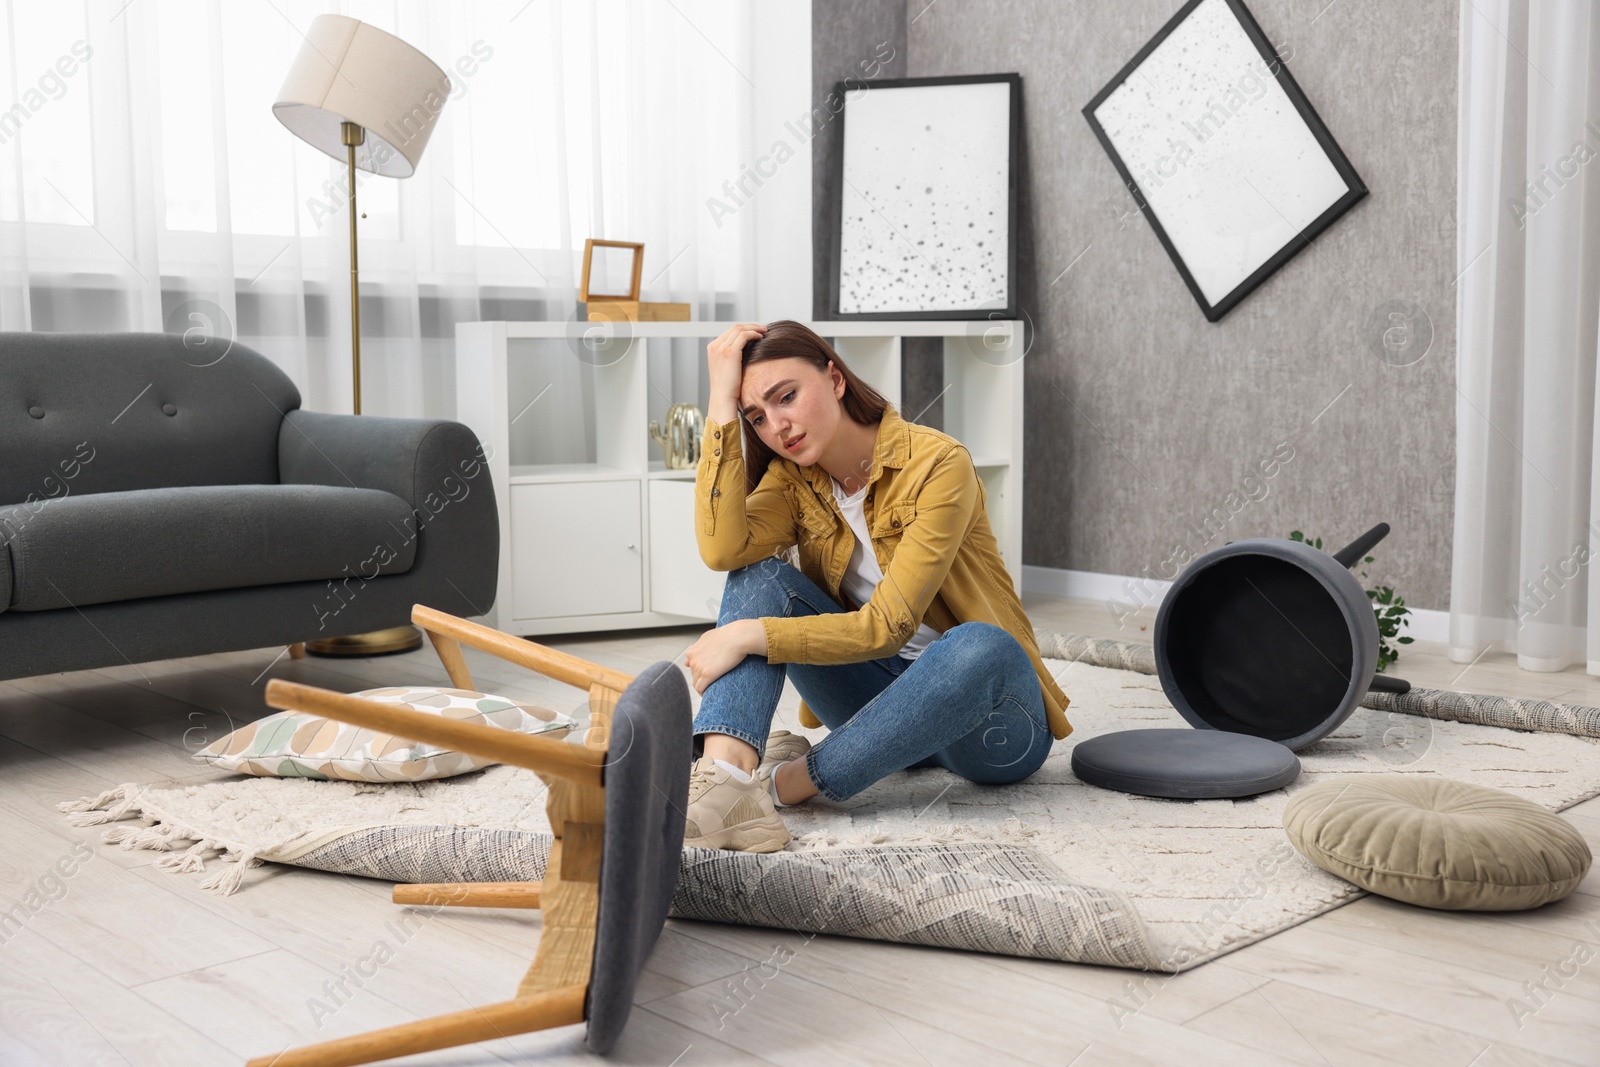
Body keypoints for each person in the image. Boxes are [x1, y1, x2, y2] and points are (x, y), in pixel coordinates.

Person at [681, 320, 1073, 852]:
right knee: (759, 575)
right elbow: (721, 548)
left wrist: (753, 635)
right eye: (758, 416)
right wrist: (720, 405)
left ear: (836, 379)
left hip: (989, 726)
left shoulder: (937, 464)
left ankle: (784, 785)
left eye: (787, 396)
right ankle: (724, 782)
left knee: (981, 646)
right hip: (875, 705)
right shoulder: (794, 481)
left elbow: (888, 628)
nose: (778, 425)